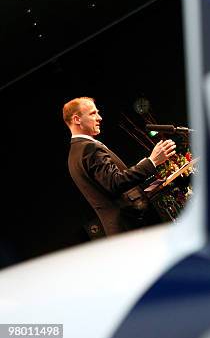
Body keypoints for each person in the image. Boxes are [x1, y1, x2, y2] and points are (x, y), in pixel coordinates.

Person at [63, 97, 176, 236]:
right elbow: (115, 183)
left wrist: (142, 165)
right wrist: (152, 162)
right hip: (130, 227)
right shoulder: (88, 148)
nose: (99, 118)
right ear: (76, 119)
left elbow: (109, 182)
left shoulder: (75, 153)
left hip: (123, 229)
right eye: (93, 113)